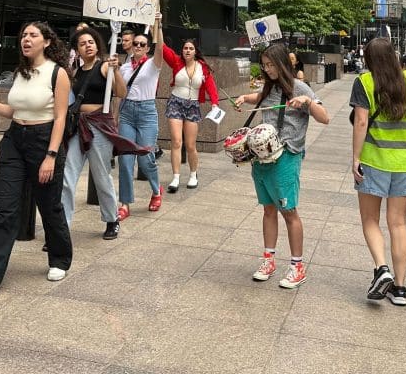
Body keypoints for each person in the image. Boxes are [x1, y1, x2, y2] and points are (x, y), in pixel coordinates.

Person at [0, 22, 72, 299]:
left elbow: (61, 117)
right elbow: (13, 110)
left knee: (49, 205)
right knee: (5, 208)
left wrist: (51, 156)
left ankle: (60, 259)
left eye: (32, 35)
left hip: (44, 141)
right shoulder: (22, 72)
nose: (26, 40)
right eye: (23, 36)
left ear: (46, 41)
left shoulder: (58, 73)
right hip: (15, 141)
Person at [234, 42, 329, 289]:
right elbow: (261, 98)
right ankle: (269, 260)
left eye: (271, 65)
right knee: (267, 209)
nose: (267, 70)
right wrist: (245, 97)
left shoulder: (300, 87)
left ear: (282, 64)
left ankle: (297, 266)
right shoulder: (269, 87)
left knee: (289, 211)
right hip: (261, 157)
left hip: (286, 156)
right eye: (264, 66)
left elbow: (325, 117)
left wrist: (307, 102)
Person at [350, 37, 406, 306]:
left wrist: (355, 158)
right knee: (399, 223)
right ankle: (400, 289)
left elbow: (360, 121)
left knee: (370, 219)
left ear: (368, 59)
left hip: (375, 160)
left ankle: (382, 269)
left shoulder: (365, 82)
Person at [62, 26, 143, 239]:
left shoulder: (105, 66)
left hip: (98, 128)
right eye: (82, 44)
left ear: (97, 44)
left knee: (101, 176)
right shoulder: (76, 72)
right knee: (67, 177)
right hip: (78, 128)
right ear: (77, 50)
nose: (87, 46)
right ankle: (62, 227)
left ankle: (111, 219)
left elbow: (122, 92)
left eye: (90, 42)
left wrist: (116, 70)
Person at [117, 14, 166, 219]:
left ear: (147, 48)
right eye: (135, 43)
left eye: (142, 44)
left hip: (146, 112)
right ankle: (125, 203)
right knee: (125, 160)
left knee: (146, 159)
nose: (137, 46)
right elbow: (119, 92)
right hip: (127, 112)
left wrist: (159, 26)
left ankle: (156, 191)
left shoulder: (153, 65)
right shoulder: (124, 67)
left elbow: (161, 50)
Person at [162, 39, 220, 193]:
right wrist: (157, 26)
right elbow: (162, 47)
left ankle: (193, 174)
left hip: (193, 106)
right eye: (185, 48)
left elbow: (211, 87)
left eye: (191, 48)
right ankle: (175, 177)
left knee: (190, 145)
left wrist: (214, 103)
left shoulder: (203, 68)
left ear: (195, 51)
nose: (187, 50)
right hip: (175, 102)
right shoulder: (176, 62)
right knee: (176, 141)